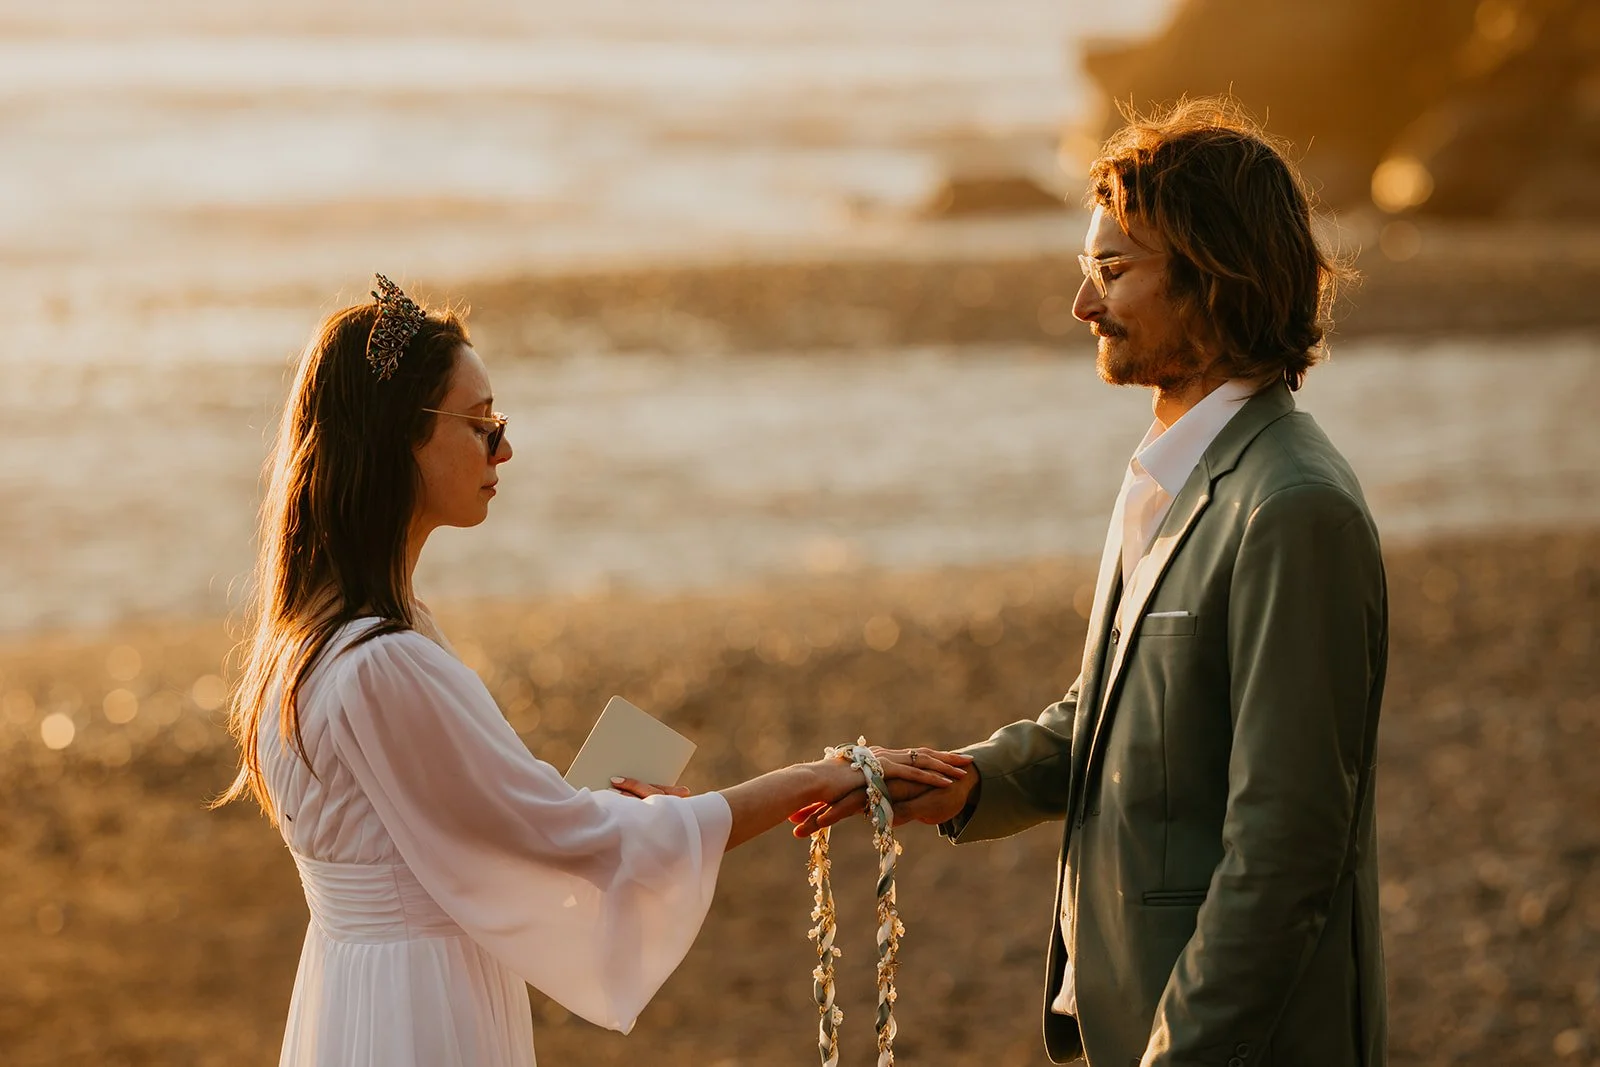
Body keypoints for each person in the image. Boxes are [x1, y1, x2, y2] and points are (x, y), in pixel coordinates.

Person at [215, 274, 972, 1067]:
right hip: (418, 1009)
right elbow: (568, 838)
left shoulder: (306, 647)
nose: (504, 447)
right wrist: (819, 776)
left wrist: (597, 810)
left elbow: (492, 829)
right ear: (398, 434)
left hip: (356, 992)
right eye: (480, 424)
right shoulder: (385, 663)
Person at [796, 99, 1389, 1066]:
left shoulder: (1293, 509)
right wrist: (969, 779)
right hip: (1136, 1018)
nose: (1083, 305)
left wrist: (1178, 1050)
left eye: (1112, 272)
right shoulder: (1174, 472)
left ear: (1213, 277)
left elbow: (1286, 854)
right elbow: (1111, 712)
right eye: (1087, 272)